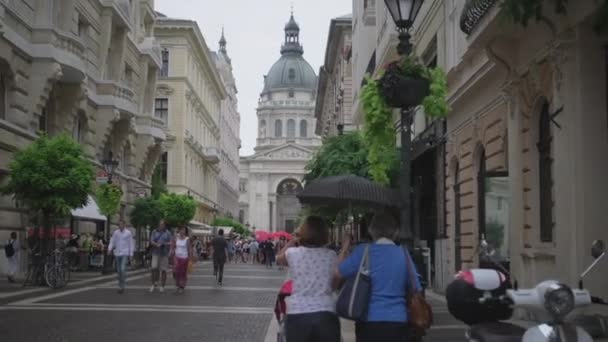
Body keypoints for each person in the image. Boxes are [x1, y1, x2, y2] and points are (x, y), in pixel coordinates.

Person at [332, 211, 422, 342]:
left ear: (371, 231)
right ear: (396, 232)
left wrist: (345, 248)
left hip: (368, 321)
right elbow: (416, 288)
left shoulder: (363, 251)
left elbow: (337, 273)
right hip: (398, 321)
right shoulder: (404, 253)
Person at [276, 216, 341, 342]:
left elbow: (279, 258)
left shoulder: (293, 254)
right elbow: (334, 284)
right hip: (326, 313)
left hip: (298, 313)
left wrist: (292, 241)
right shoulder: (331, 255)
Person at [107, 220, 134, 294]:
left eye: (121, 224)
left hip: (125, 253)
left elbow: (131, 243)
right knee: (118, 271)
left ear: (124, 225)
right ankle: (120, 285)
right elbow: (112, 241)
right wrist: (109, 249)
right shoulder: (116, 232)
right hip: (117, 253)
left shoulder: (128, 233)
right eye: (119, 224)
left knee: (122, 269)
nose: (120, 226)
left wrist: (131, 254)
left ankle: (123, 286)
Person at [149, 219, 172, 293]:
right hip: (155, 252)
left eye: (162, 224)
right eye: (160, 224)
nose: (161, 226)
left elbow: (171, 242)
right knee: (154, 268)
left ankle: (162, 286)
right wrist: (156, 244)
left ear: (165, 225)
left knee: (164, 270)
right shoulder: (154, 231)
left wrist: (165, 244)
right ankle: (153, 284)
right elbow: (151, 241)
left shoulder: (168, 233)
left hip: (164, 253)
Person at [170, 226, 193, 294]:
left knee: (182, 273)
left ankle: (181, 286)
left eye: (183, 230)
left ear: (185, 231)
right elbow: (173, 246)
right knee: (175, 272)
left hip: (184, 258)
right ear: (179, 230)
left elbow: (189, 249)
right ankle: (178, 284)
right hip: (176, 257)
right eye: (181, 230)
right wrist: (171, 252)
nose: (182, 231)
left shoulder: (187, 239)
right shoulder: (176, 238)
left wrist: (190, 259)